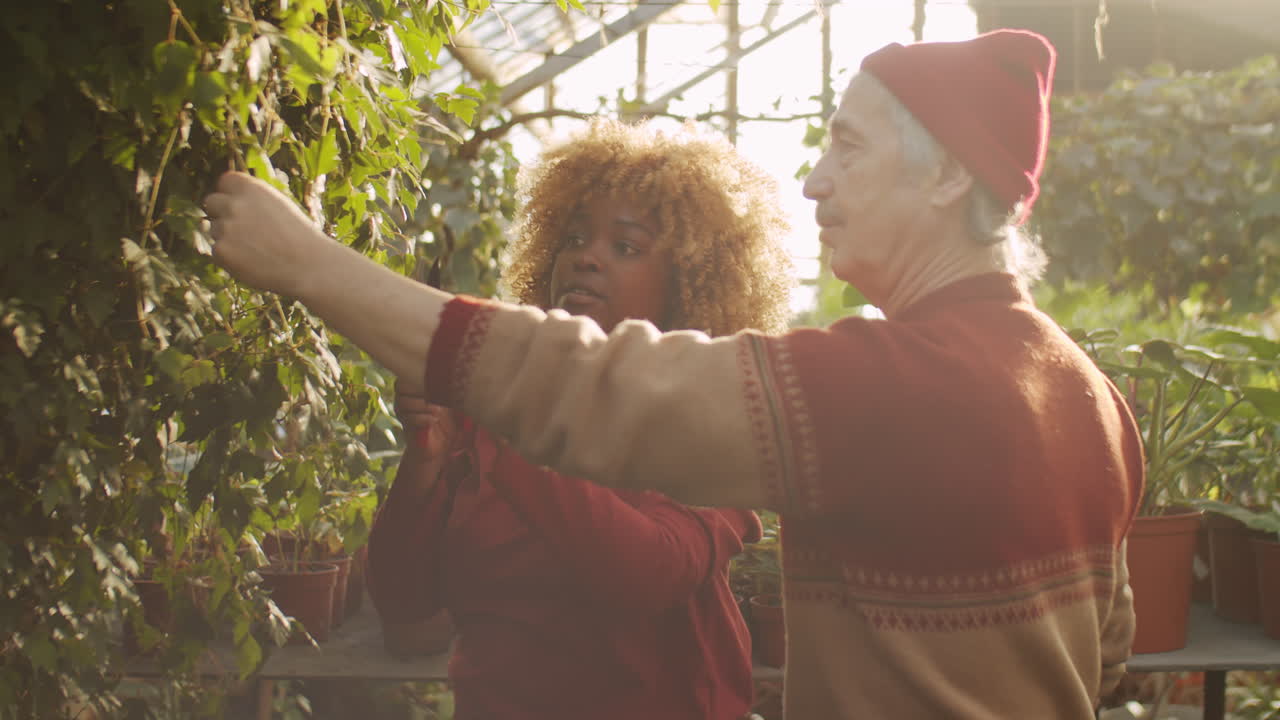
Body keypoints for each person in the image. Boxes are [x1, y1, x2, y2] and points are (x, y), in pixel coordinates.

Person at [204, 29, 1145, 719]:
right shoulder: (1090, 397)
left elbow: (597, 394)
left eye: (847, 148)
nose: (815, 182)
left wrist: (308, 264)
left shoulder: (896, 381)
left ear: (948, 179)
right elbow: (1105, 662)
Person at [363, 118, 794, 720]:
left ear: (688, 284)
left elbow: (647, 574)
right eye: (572, 239)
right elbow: (404, 604)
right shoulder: (493, 414)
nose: (586, 258)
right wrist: (426, 460)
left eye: (625, 247)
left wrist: (515, 422)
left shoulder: (708, 414)